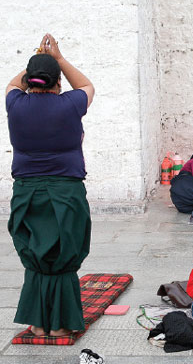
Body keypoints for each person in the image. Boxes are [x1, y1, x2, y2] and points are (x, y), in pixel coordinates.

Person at [6, 34, 95, 336]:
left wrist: (36, 60)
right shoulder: (69, 104)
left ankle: (39, 323)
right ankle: (60, 324)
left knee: (36, 253)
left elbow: (12, 85)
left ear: (30, 80)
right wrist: (57, 58)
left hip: (27, 193)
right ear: (58, 82)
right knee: (64, 253)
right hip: (65, 192)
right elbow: (86, 86)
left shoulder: (15, 104)